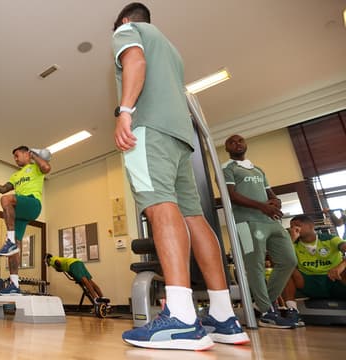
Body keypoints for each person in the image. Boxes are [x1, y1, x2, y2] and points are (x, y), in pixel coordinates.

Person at [111, 3, 248, 350]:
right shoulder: (172, 49)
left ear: (126, 21)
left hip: (150, 131)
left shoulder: (127, 31)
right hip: (180, 138)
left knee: (159, 206)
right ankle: (223, 317)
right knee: (195, 218)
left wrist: (125, 112)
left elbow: (135, 62)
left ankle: (182, 318)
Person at [223, 134, 298, 328]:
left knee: (289, 260)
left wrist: (276, 202)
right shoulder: (227, 168)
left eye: (240, 140)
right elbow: (231, 195)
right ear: (227, 148)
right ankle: (266, 312)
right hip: (246, 223)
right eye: (232, 142)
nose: (237, 143)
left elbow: (270, 194)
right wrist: (261, 206)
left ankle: (262, 303)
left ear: (245, 144)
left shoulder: (258, 169)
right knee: (255, 265)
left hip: (270, 221)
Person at [0, 145, 50, 295]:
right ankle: (14, 284)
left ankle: (10, 241)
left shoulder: (35, 167)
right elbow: (3, 188)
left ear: (27, 154)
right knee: (13, 251)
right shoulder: (15, 176)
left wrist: (34, 156)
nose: (15, 159)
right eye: (13, 157)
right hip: (20, 211)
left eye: (17, 155)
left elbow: (46, 168)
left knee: (6, 200)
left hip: (33, 203)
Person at [282, 214, 346, 323]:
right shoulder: (293, 244)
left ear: (311, 226)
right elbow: (281, 261)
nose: (294, 229)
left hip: (334, 279)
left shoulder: (329, 239)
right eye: (291, 227)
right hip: (310, 283)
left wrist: (341, 266)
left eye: (297, 225)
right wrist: (291, 241)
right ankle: (292, 311)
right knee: (285, 269)